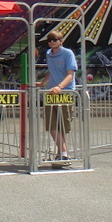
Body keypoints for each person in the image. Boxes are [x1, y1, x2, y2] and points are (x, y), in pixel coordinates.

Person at [39, 31, 78, 163]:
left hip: (65, 92)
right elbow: (51, 71)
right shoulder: (48, 54)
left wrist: (60, 87)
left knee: (63, 124)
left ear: (61, 41)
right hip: (51, 92)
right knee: (51, 123)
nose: (52, 42)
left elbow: (70, 74)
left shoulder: (68, 53)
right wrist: (43, 83)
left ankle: (61, 152)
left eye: (55, 40)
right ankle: (63, 152)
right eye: (50, 40)